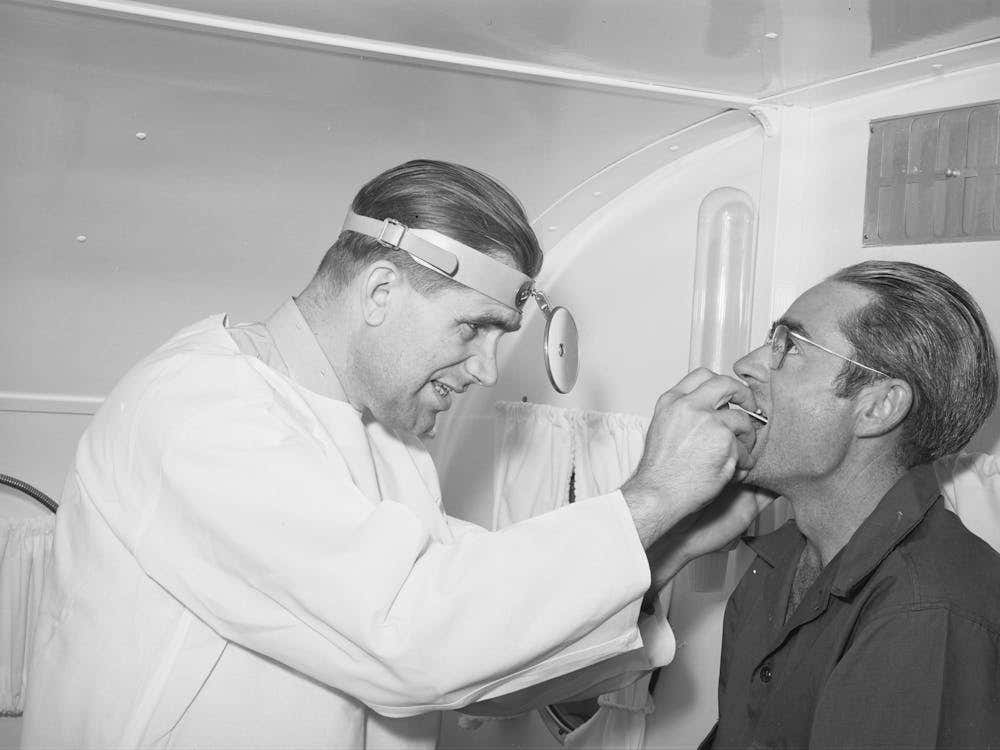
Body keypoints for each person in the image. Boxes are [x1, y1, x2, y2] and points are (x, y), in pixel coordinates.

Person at [21, 159, 766, 749]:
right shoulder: (198, 409)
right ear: (380, 290)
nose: (485, 370)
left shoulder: (385, 439)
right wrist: (650, 498)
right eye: (473, 328)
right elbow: (415, 641)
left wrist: (671, 547)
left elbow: (477, 657)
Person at [703, 260, 1000, 749]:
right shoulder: (774, 567)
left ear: (879, 407)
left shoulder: (927, 611)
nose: (747, 364)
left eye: (790, 346)